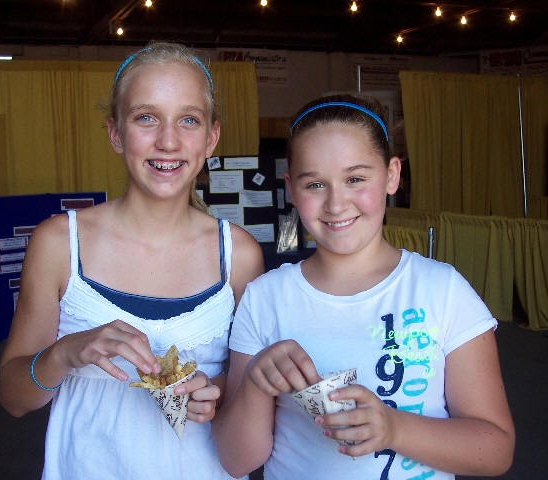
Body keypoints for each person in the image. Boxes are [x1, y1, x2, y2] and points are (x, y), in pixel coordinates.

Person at [0, 42, 263, 479]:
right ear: (115, 133)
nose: (168, 141)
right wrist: (64, 354)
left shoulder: (239, 256)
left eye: (189, 120)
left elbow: (246, 396)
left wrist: (211, 393)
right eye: (146, 118)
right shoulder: (58, 244)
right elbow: (14, 398)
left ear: (211, 137)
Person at [213, 94, 515, 479]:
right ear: (291, 188)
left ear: (391, 175)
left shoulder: (442, 290)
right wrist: (256, 384)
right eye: (315, 184)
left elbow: (496, 450)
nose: (336, 204)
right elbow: (236, 461)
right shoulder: (265, 297)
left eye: (355, 179)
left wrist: (394, 428)